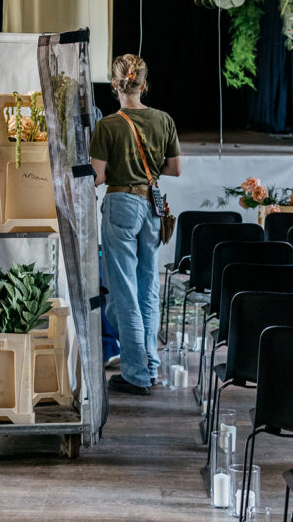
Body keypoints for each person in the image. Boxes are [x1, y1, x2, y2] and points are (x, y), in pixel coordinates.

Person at [90, 53, 182, 396]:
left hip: (121, 205)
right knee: (147, 289)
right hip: (153, 205)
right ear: (143, 85)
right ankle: (149, 365)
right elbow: (175, 169)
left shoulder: (107, 126)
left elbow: (97, 177)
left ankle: (136, 374)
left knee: (123, 292)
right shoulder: (164, 119)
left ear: (115, 85)